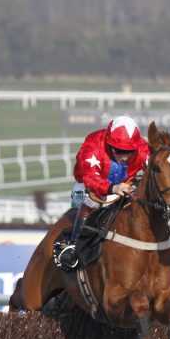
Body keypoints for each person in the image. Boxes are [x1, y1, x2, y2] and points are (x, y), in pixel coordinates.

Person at [57, 115, 150, 271]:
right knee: (91, 201)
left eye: (129, 151)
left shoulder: (142, 147)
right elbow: (89, 178)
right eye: (119, 151)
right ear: (109, 142)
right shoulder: (93, 142)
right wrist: (113, 188)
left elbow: (155, 172)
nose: (124, 156)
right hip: (87, 187)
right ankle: (72, 246)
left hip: (124, 187)